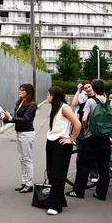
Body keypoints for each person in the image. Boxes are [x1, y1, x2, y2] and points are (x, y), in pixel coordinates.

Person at [68, 79, 112, 201]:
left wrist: (86, 128)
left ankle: (78, 191)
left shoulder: (90, 101)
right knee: (104, 167)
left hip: (91, 137)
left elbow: (84, 118)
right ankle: (101, 193)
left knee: (84, 165)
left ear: (93, 89)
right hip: (105, 138)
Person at [44, 86, 81, 215]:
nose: (47, 97)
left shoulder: (64, 108)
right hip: (52, 142)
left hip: (61, 143)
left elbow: (78, 124)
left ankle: (56, 205)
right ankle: (60, 199)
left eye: (48, 94)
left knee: (57, 175)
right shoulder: (56, 107)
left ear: (53, 95)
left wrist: (71, 139)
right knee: (51, 172)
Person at [2, 83, 37, 194]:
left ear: (28, 92)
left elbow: (25, 119)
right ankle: (24, 181)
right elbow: (16, 118)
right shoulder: (20, 102)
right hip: (20, 132)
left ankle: (29, 183)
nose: (20, 92)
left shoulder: (32, 105)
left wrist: (11, 118)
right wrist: (5, 118)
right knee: (22, 158)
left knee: (27, 158)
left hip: (27, 133)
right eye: (20, 90)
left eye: (23, 90)